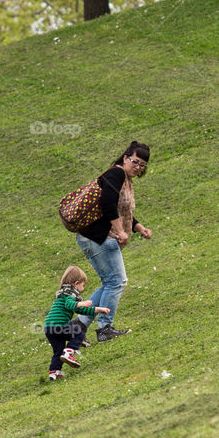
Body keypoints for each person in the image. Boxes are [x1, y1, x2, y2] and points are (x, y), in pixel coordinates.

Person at [75, 141, 153, 343]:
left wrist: (138, 227)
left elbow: (121, 210)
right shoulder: (116, 174)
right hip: (99, 237)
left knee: (111, 282)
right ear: (125, 157)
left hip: (99, 237)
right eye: (135, 162)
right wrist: (119, 230)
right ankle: (104, 328)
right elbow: (107, 204)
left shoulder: (124, 178)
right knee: (117, 281)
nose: (138, 167)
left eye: (142, 165)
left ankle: (78, 326)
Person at [44, 265, 110, 380]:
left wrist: (98, 309)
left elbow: (80, 310)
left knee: (58, 350)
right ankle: (69, 353)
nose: (83, 289)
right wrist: (82, 303)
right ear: (76, 283)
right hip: (59, 324)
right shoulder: (68, 294)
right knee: (79, 334)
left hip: (49, 328)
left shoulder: (62, 294)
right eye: (83, 285)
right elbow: (70, 305)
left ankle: (54, 373)